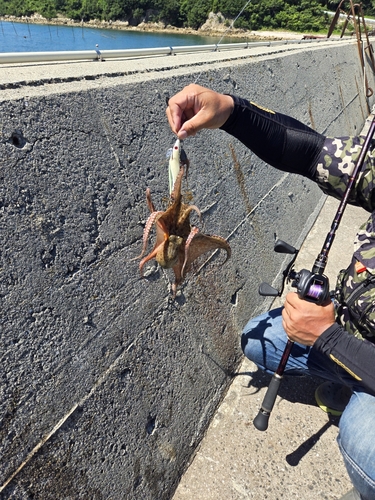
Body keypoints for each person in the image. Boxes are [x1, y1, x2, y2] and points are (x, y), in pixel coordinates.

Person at [166, 84, 375, 500]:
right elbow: (310, 152)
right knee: (259, 339)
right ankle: (353, 380)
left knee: (362, 440)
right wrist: (232, 111)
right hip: (356, 331)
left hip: (344, 341)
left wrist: (328, 339)